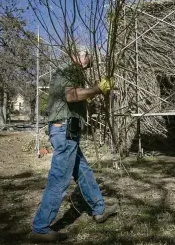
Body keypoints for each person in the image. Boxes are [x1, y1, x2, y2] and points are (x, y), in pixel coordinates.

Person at [29, 47, 118, 243]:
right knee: (60, 178)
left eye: (88, 56)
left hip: (69, 130)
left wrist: (100, 92)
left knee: (83, 172)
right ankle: (40, 227)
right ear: (75, 55)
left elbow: (78, 96)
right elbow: (71, 96)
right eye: (85, 55)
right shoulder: (68, 69)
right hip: (65, 130)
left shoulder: (73, 72)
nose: (88, 59)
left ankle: (99, 209)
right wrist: (97, 89)